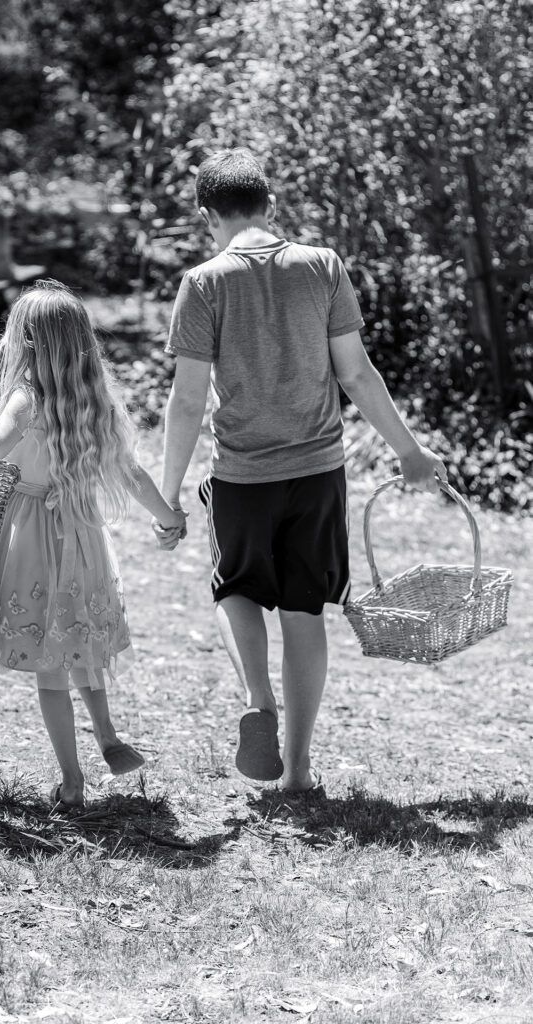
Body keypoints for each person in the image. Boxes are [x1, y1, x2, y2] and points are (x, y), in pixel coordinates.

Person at [155, 148, 446, 791]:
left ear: (208, 216)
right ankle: (299, 769)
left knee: (234, 591)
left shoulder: (204, 282)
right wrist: (408, 450)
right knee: (304, 610)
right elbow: (356, 372)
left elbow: (186, 400)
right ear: (273, 205)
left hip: (240, 476)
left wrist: (169, 494)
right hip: (317, 474)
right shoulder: (323, 266)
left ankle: (258, 700)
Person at [0, 281, 186, 811]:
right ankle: (108, 736)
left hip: (27, 534)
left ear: (27, 342)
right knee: (78, 638)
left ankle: (72, 781)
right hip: (81, 534)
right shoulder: (94, 400)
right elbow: (132, 474)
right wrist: (169, 518)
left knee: (51, 664)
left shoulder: (26, 398)